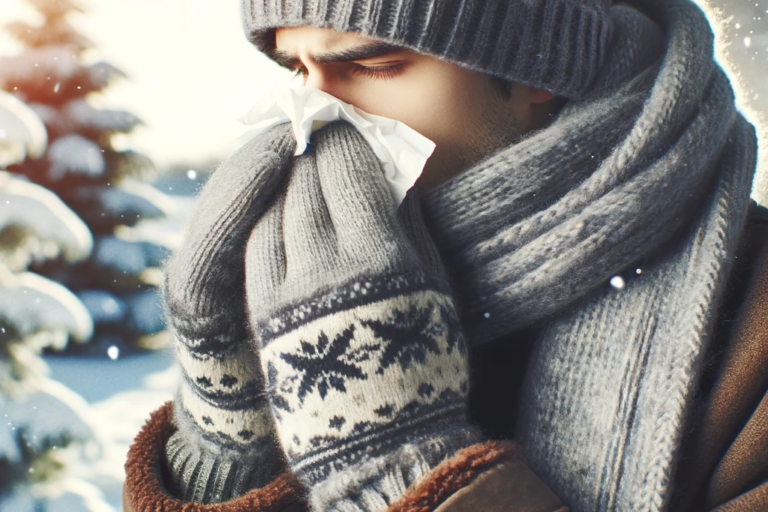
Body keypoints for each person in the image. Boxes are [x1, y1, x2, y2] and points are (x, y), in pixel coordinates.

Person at [123, 0, 768, 510]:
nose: (313, 116)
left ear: (530, 69)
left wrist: (404, 474)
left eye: (372, 65)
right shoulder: (291, 284)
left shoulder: (754, 319)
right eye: (297, 71)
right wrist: (224, 442)